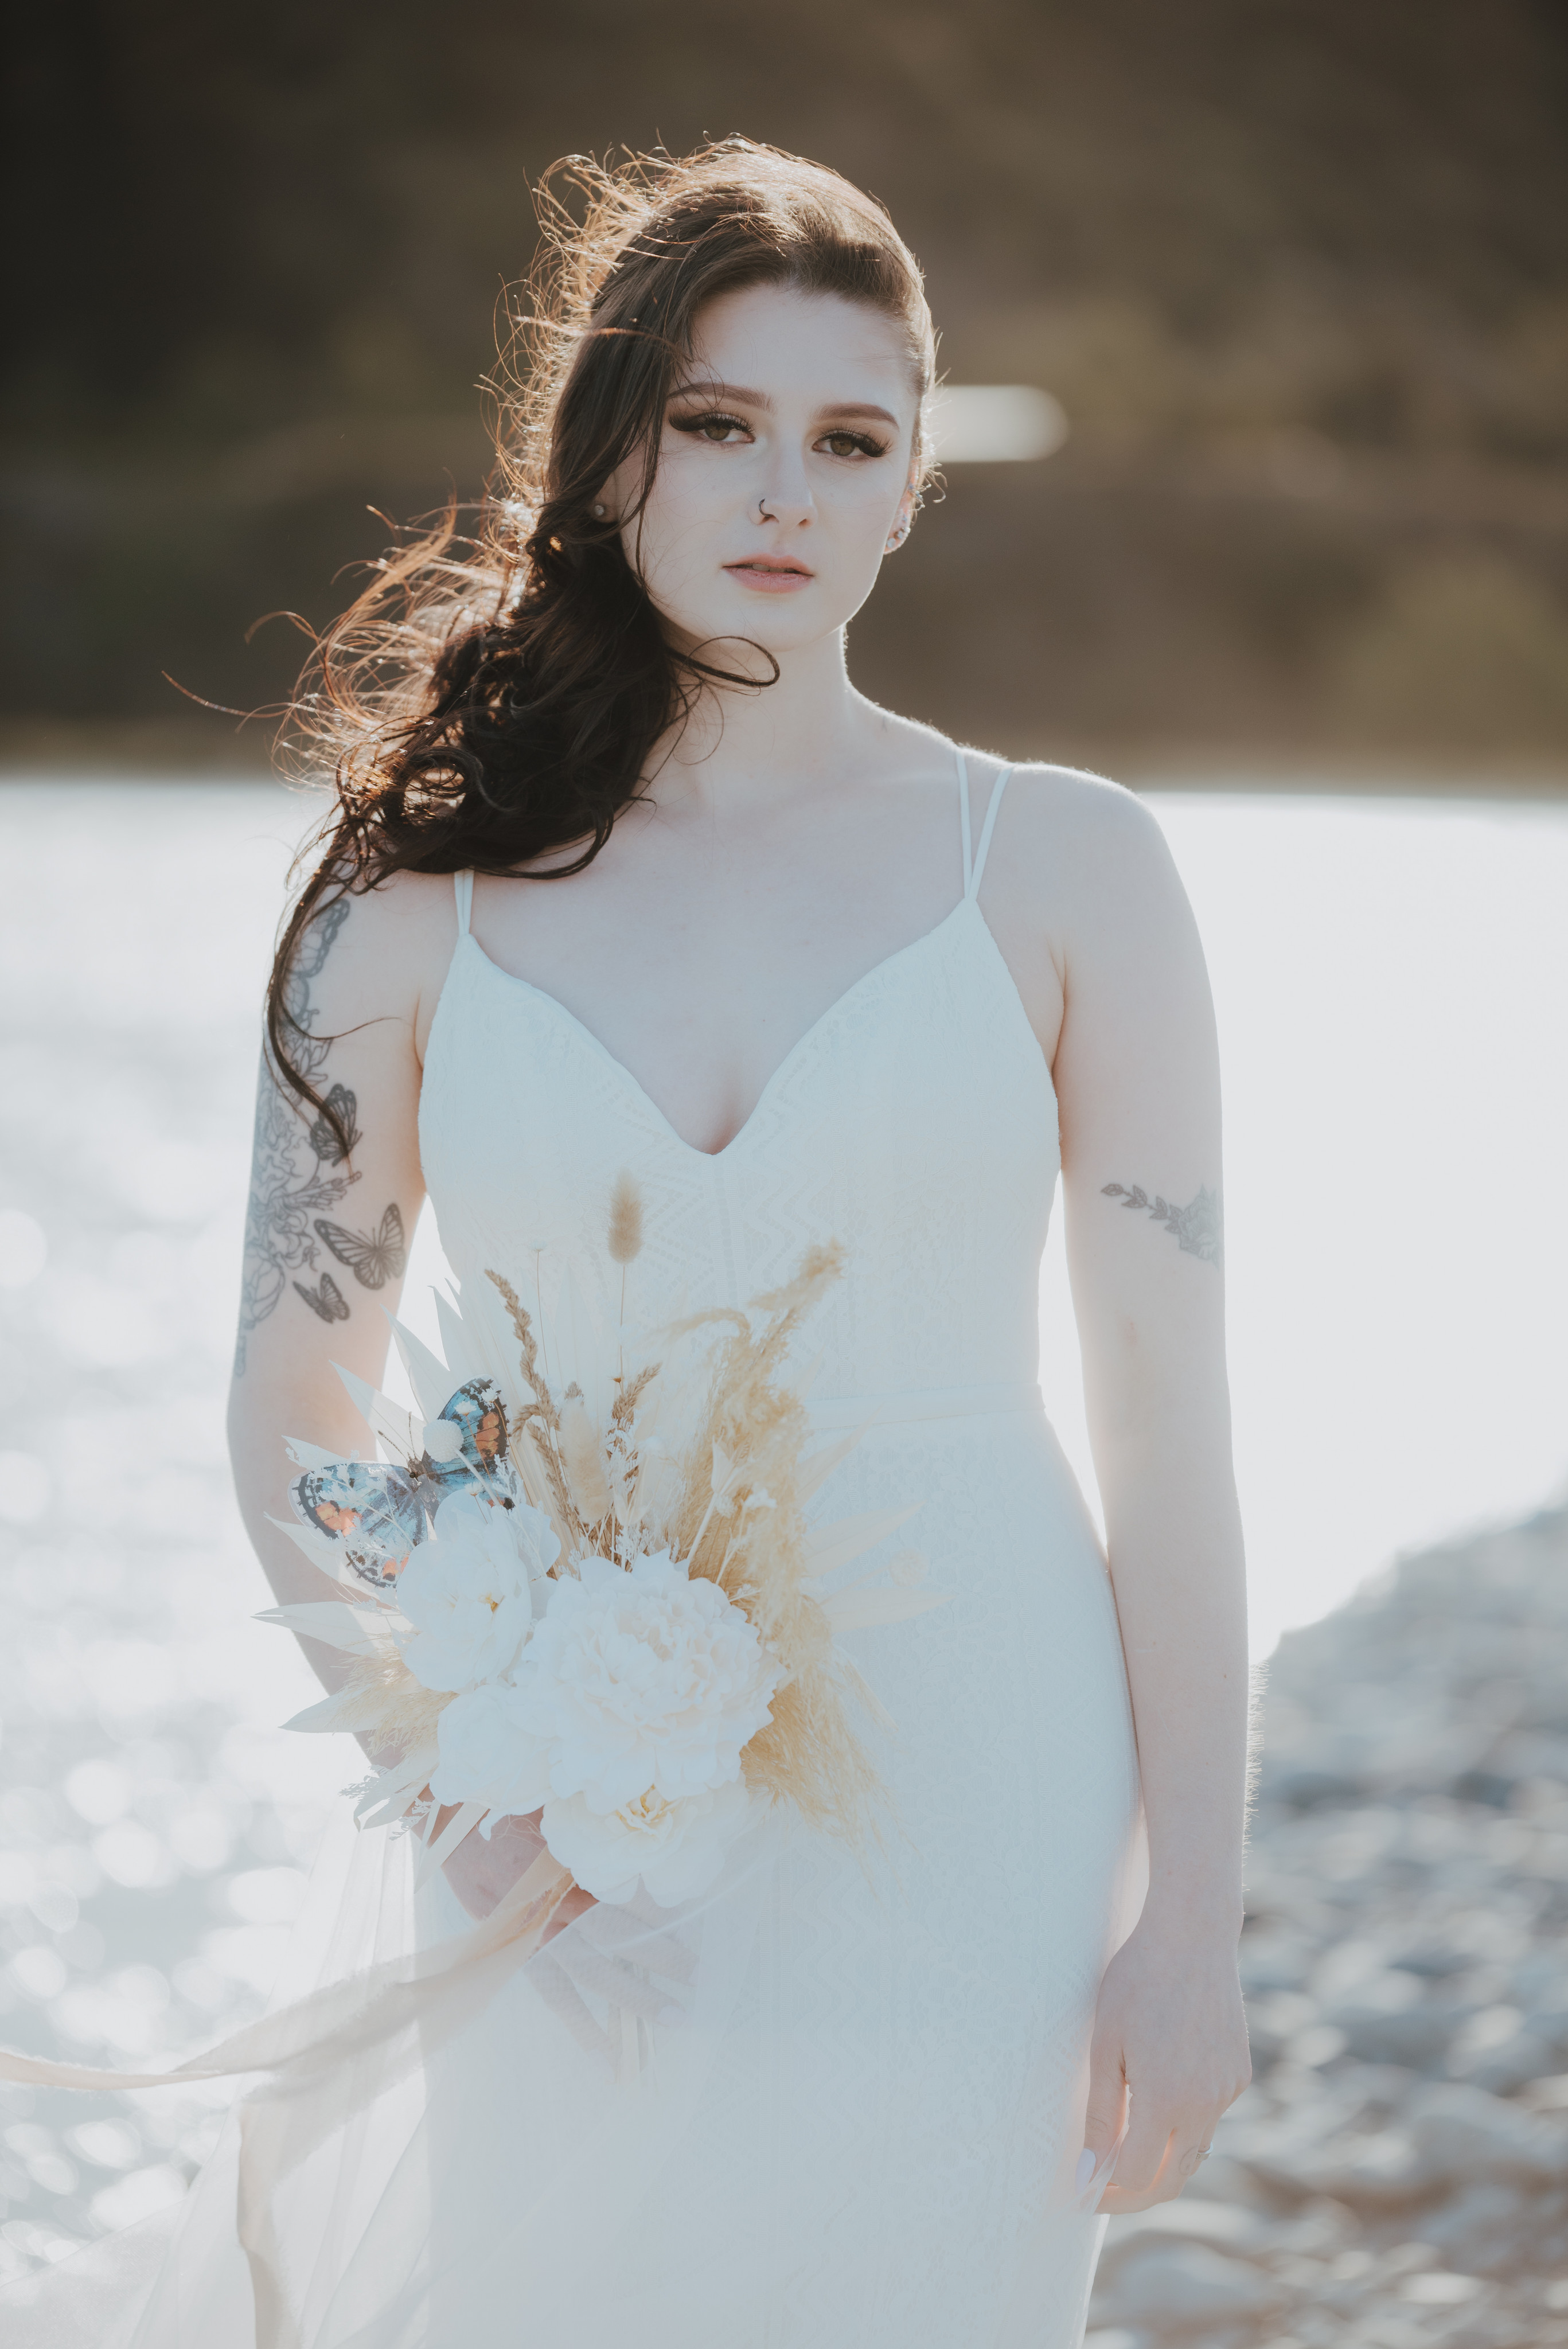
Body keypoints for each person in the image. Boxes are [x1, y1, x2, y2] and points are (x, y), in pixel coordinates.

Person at [8, 138, 1251, 2348]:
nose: (785, 490)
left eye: (850, 440)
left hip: (992, 1779)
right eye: (718, 421)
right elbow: (292, 1402)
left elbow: (1171, 1440)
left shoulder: (1068, 875)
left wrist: (1196, 1925)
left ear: (911, 487)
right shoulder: (404, 912)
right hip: (557, 1804)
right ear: (610, 458)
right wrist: (462, 1803)